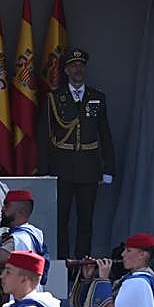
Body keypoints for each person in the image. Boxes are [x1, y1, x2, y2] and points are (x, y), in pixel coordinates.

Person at [46, 48, 116, 260]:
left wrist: (109, 168)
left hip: (89, 167)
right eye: (73, 66)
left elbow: (105, 134)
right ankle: (62, 262)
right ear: (66, 70)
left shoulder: (97, 97)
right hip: (62, 167)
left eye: (81, 66)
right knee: (61, 220)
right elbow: (47, 135)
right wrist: (47, 170)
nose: (78, 70)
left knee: (86, 220)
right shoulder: (55, 98)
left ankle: (82, 264)